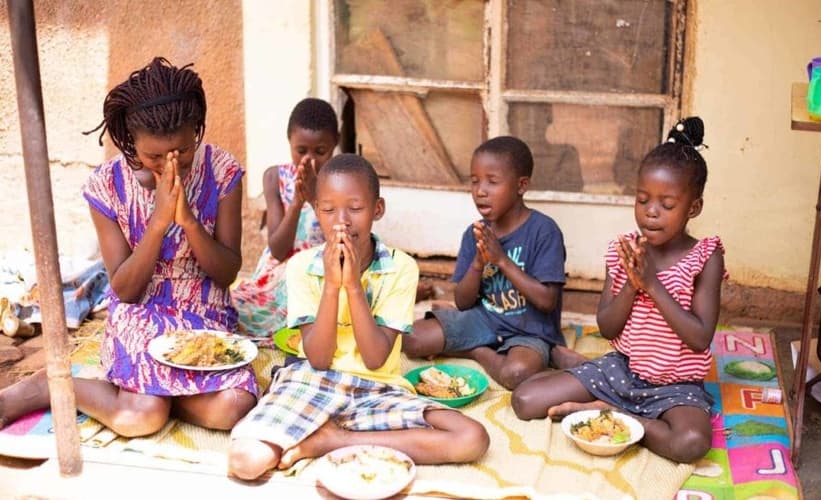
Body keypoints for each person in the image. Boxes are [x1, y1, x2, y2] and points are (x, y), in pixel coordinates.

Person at [0, 57, 257, 436]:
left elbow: (227, 272)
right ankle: (49, 386)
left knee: (232, 408)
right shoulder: (107, 186)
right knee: (139, 418)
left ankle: (159, 394)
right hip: (142, 311)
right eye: (154, 155)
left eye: (183, 151)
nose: (173, 164)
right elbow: (125, 289)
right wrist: (158, 223)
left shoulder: (222, 172)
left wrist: (187, 221)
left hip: (205, 309)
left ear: (197, 130)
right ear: (130, 141)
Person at [227, 154, 489, 479]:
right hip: (314, 381)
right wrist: (331, 284)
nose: (341, 221)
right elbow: (319, 358)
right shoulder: (301, 267)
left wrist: (351, 285)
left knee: (471, 438)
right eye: (328, 209)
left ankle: (333, 440)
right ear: (316, 211)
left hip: (378, 389)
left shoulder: (400, 268)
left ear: (377, 209)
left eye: (355, 208)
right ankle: (334, 435)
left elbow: (376, 357)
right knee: (246, 461)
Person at [511, 117, 726, 464]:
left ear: (693, 208)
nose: (651, 213)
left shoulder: (706, 256)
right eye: (642, 200)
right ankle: (612, 406)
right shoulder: (623, 250)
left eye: (667, 205)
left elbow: (700, 337)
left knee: (690, 444)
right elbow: (608, 328)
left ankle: (613, 414)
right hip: (623, 371)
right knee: (525, 400)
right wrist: (632, 282)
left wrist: (653, 284)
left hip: (677, 386)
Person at [402, 136, 568, 390]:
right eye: (475, 181)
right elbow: (463, 301)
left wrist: (501, 260)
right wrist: (478, 264)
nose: (480, 191)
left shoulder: (544, 231)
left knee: (516, 374)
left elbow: (547, 301)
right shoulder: (475, 233)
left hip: (530, 329)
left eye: (492, 181)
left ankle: (476, 351)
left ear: (521, 185)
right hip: (485, 318)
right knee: (410, 340)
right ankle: (478, 345)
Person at [232, 98, 338, 337]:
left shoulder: (342, 181)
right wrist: (298, 202)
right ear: (289, 140)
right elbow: (278, 250)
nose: (308, 160)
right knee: (237, 307)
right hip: (280, 272)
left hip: (321, 270)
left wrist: (314, 198)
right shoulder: (274, 177)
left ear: (335, 144)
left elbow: (341, 241)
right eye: (301, 150)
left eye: (320, 151)